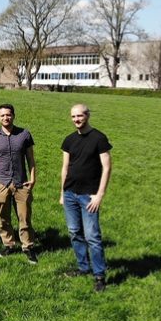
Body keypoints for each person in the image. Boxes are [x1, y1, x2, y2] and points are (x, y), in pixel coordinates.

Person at [60, 103, 112, 292]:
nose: (76, 119)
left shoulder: (99, 138)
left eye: (80, 116)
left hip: (89, 196)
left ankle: (99, 276)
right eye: (73, 116)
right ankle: (83, 267)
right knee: (74, 232)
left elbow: (107, 167)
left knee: (92, 236)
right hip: (70, 194)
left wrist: (99, 195)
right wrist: (62, 193)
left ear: (87, 115)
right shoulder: (69, 140)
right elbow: (65, 168)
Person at [0, 104, 38, 263]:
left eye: (8, 115)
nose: (5, 118)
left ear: (13, 116)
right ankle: (8, 244)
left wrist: (33, 178)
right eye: (2, 115)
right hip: (1, 183)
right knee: (3, 216)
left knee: (25, 216)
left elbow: (30, 159)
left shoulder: (24, 134)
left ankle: (28, 246)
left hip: (21, 182)